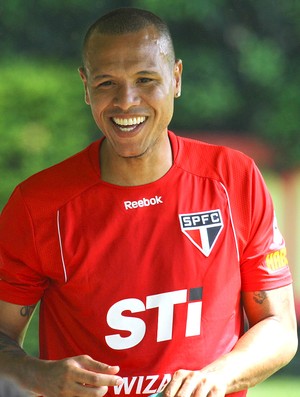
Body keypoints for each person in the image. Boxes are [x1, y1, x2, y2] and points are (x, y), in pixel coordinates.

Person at [0, 7, 298, 397]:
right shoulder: (37, 204)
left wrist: (218, 377)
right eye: (107, 83)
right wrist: (40, 375)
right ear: (85, 86)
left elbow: (279, 328)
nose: (126, 101)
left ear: (175, 78)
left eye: (145, 79)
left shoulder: (234, 179)